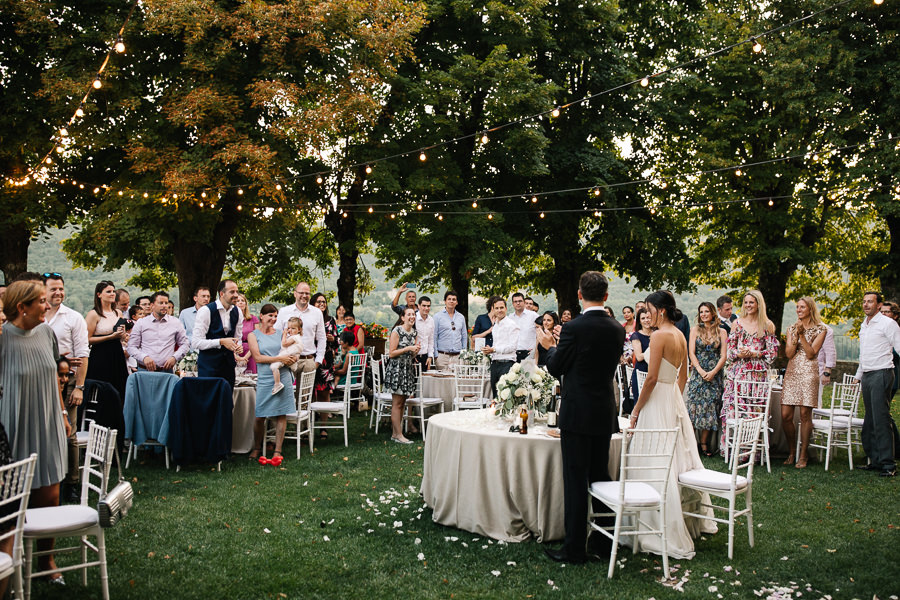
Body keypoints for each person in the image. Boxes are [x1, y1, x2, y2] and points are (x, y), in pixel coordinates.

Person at [540, 271, 624, 565]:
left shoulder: (573, 328)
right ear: (606, 296)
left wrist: (549, 346)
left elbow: (556, 367)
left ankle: (575, 549)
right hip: (603, 412)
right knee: (601, 476)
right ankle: (603, 541)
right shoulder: (617, 328)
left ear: (579, 295)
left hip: (577, 414)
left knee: (576, 480)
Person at [629, 290, 716, 559]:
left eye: (650, 309)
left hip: (657, 401)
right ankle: (688, 518)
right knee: (677, 457)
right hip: (673, 400)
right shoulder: (679, 334)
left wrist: (635, 411)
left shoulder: (658, 336)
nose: (647, 314)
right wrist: (674, 398)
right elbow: (684, 375)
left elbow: (651, 378)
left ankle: (655, 524)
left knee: (653, 456)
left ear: (661, 311)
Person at [0, 280, 70, 582]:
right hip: (13, 421)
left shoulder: (46, 333)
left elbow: (55, 373)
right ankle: (9, 560)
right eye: (41, 301)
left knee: (51, 492)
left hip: (47, 419)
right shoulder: (2, 338)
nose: (48, 305)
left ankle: (46, 561)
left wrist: (63, 413)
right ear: (22, 307)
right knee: (12, 496)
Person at [43, 273, 89, 503]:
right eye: (53, 289)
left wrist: (79, 387)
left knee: (69, 432)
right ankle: (47, 478)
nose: (58, 293)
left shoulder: (73, 317)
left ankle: (71, 482)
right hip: (42, 382)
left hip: (67, 381)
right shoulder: (37, 317)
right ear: (43, 291)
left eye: (61, 289)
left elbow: (82, 355)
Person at [719, 290, 779, 452]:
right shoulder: (737, 324)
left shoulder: (767, 325)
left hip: (758, 375)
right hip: (738, 373)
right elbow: (729, 352)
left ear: (759, 304)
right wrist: (739, 353)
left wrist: (756, 353)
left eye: (751, 302)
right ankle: (733, 449)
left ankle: (751, 451)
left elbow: (772, 353)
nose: (748, 305)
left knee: (755, 411)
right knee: (736, 409)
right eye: (746, 302)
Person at [247, 304, 299, 466]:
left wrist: (292, 359)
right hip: (265, 378)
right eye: (270, 315)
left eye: (275, 316)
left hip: (282, 377)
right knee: (259, 416)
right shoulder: (253, 335)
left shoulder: (281, 334)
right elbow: (258, 358)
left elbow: (294, 349)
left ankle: (278, 450)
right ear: (261, 316)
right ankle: (257, 447)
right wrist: (280, 359)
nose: (273, 319)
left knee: (281, 414)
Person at [855, 291, 900, 476]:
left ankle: (889, 465)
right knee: (870, 420)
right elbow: (863, 353)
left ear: (879, 305)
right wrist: (858, 375)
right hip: (867, 374)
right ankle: (875, 460)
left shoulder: (888, 324)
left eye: (870, 302)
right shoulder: (864, 325)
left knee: (881, 419)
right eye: (864, 301)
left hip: (882, 373)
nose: (866, 305)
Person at [781, 297, 827, 468]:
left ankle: (803, 454)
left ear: (810, 309)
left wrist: (801, 335)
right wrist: (794, 334)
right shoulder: (791, 328)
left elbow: (810, 353)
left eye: (802, 307)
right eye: (797, 307)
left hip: (809, 373)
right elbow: (789, 353)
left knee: (805, 415)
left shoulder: (821, 329)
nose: (799, 310)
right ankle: (792, 451)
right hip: (792, 372)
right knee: (786, 415)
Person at [686, 301, 727, 456]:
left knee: (710, 409)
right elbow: (691, 353)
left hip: (715, 375)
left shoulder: (722, 332)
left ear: (712, 313)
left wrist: (713, 372)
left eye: (706, 311)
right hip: (698, 374)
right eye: (701, 312)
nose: (703, 314)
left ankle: (704, 444)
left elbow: (724, 355)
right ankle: (691, 444)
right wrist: (701, 371)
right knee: (694, 408)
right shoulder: (695, 330)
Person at [192, 279, 243, 390]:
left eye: (237, 292)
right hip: (209, 367)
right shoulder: (206, 311)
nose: (236, 295)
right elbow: (196, 342)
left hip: (228, 367)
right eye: (232, 292)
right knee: (208, 403)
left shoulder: (238, 311)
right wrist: (221, 342)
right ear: (221, 293)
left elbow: (238, 337)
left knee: (227, 403)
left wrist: (238, 347)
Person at [84, 280, 129, 401]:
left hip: (117, 353)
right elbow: (87, 339)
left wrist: (123, 335)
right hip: (100, 354)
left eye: (113, 291)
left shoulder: (118, 313)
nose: (112, 294)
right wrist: (110, 337)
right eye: (108, 291)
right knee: (101, 389)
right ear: (99, 294)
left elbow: (122, 335)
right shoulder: (94, 314)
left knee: (119, 387)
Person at [127, 291, 189, 373]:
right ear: (152, 305)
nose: (164, 306)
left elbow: (185, 344)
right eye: (161, 303)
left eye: (166, 303)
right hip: (145, 370)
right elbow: (131, 347)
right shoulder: (141, 323)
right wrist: (144, 357)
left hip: (166, 371)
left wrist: (174, 357)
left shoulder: (175, 322)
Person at [383, 307, 420, 444]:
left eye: (413, 314)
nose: (412, 317)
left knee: (403, 403)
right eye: (409, 314)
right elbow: (391, 353)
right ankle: (399, 435)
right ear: (403, 317)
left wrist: (415, 351)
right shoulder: (397, 331)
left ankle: (395, 434)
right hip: (397, 370)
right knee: (397, 403)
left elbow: (411, 354)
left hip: (407, 370)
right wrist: (408, 348)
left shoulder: (414, 332)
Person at [275, 282, 326, 375]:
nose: (304, 295)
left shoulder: (317, 312)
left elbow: (322, 338)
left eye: (307, 293)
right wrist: (281, 357)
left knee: (306, 390)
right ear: (295, 294)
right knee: (287, 389)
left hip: (308, 361)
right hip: (288, 361)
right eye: (301, 293)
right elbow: (276, 335)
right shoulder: (284, 311)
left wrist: (318, 361)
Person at [482, 298, 519, 396]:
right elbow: (497, 345)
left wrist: (494, 349)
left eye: (501, 307)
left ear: (506, 308)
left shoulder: (512, 325)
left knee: (505, 396)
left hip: (507, 364)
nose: (499, 310)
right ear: (493, 310)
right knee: (495, 395)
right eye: (497, 308)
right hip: (495, 364)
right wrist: (489, 350)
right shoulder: (495, 326)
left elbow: (512, 347)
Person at [311, 293, 338, 403]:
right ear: (313, 303)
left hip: (326, 360)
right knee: (309, 390)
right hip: (311, 357)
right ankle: (309, 417)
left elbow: (337, 342)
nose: (322, 304)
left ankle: (324, 419)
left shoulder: (330, 320)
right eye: (319, 301)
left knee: (324, 391)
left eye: (324, 302)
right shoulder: (309, 319)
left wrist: (332, 340)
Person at [432, 290, 467, 369]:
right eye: (449, 299)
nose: (451, 301)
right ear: (445, 301)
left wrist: (464, 353)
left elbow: (464, 336)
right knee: (442, 380)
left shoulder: (461, 317)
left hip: (458, 356)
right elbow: (434, 336)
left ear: (457, 302)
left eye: (454, 299)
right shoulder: (437, 316)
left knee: (457, 380)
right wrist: (436, 355)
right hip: (442, 356)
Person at [629, 307, 653, 412]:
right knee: (640, 404)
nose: (646, 320)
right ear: (639, 321)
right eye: (643, 318)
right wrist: (654, 349)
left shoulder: (658, 334)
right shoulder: (636, 335)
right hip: (641, 372)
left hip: (655, 371)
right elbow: (639, 357)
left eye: (648, 318)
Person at [271, 318, 304, 394]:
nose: (290, 330)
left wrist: (284, 334)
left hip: (288, 357)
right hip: (289, 358)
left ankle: (277, 384)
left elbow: (284, 344)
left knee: (274, 367)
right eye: (288, 328)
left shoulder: (294, 337)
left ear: (299, 330)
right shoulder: (296, 337)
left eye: (293, 328)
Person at [510, 292, 539, 362]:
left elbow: (540, 334)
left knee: (528, 373)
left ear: (524, 302)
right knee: (513, 373)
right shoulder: (510, 318)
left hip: (529, 354)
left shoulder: (534, 316)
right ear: (513, 304)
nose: (518, 303)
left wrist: (535, 348)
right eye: (515, 301)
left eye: (520, 301)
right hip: (513, 355)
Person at [235, 293, 260, 374]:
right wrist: (237, 357)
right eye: (238, 301)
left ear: (246, 304)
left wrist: (246, 357)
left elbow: (258, 338)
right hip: (235, 351)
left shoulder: (253, 319)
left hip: (251, 351)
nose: (241, 302)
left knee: (251, 375)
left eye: (242, 300)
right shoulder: (231, 319)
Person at [817, 324, 836, 407]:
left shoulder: (825, 329)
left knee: (816, 401)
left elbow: (830, 352)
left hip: (817, 371)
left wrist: (827, 371)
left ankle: (815, 419)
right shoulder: (798, 327)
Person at [415, 296, 436, 370]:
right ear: (418, 306)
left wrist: (430, 356)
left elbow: (431, 340)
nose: (426, 308)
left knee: (425, 380)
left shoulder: (431, 320)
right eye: (424, 306)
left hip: (425, 356)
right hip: (414, 357)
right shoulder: (413, 318)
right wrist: (412, 355)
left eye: (428, 306)